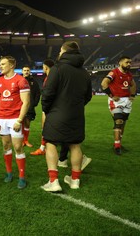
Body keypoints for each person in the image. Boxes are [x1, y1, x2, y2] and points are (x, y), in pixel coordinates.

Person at [41, 41, 92, 192]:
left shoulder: (57, 68)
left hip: (57, 113)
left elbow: (48, 93)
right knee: (75, 144)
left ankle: (53, 181)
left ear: (63, 52)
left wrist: (47, 109)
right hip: (76, 114)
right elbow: (88, 96)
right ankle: (75, 180)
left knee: (50, 143)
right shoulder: (84, 72)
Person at [0, 56, 30, 189]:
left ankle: (22, 177)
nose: (0, 66)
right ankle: (9, 173)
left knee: (18, 147)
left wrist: (19, 120)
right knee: (6, 146)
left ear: (11, 65)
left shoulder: (21, 80)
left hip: (15, 119)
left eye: (3, 64)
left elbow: (26, 102)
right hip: (2, 118)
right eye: (0, 64)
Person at [100, 55, 136, 155]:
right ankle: (117, 146)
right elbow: (104, 83)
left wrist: (132, 95)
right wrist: (111, 95)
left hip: (127, 101)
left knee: (123, 123)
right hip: (116, 101)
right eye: (127, 62)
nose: (129, 64)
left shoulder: (129, 74)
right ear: (120, 63)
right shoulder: (114, 72)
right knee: (118, 121)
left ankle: (119, 143)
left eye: (130, 62)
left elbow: (133, 85)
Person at [30, 59, 54, 156]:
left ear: (45, 67)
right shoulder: (49, 77)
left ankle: (43, 148)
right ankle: (43, 147)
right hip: (51, 107)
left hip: (50, 108)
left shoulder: (51, 78)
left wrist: (46, 107)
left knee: (45, 128)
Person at [21, 65, 40, 148]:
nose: (26, 72)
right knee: (20, 123)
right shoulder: (19, 80)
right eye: (24, 70)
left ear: (30, 71)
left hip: (29, 106)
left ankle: (26, 140)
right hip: (20, 106)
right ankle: (21, 140)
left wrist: (34, 103)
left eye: (27, 70)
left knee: (27, 123)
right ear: (22, 71)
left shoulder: (33, 81)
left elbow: (38, 93)